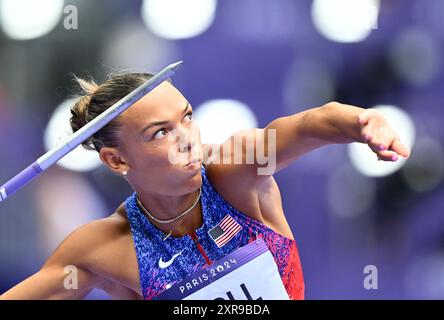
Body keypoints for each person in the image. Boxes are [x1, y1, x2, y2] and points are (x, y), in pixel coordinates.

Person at [0, 72, 411, 300]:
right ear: (117, 159)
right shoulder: (102, 250)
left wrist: (359, 124)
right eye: (160, 133)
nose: (188, 139)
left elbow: (305, 126)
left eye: (187, 117)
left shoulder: (237, 170)